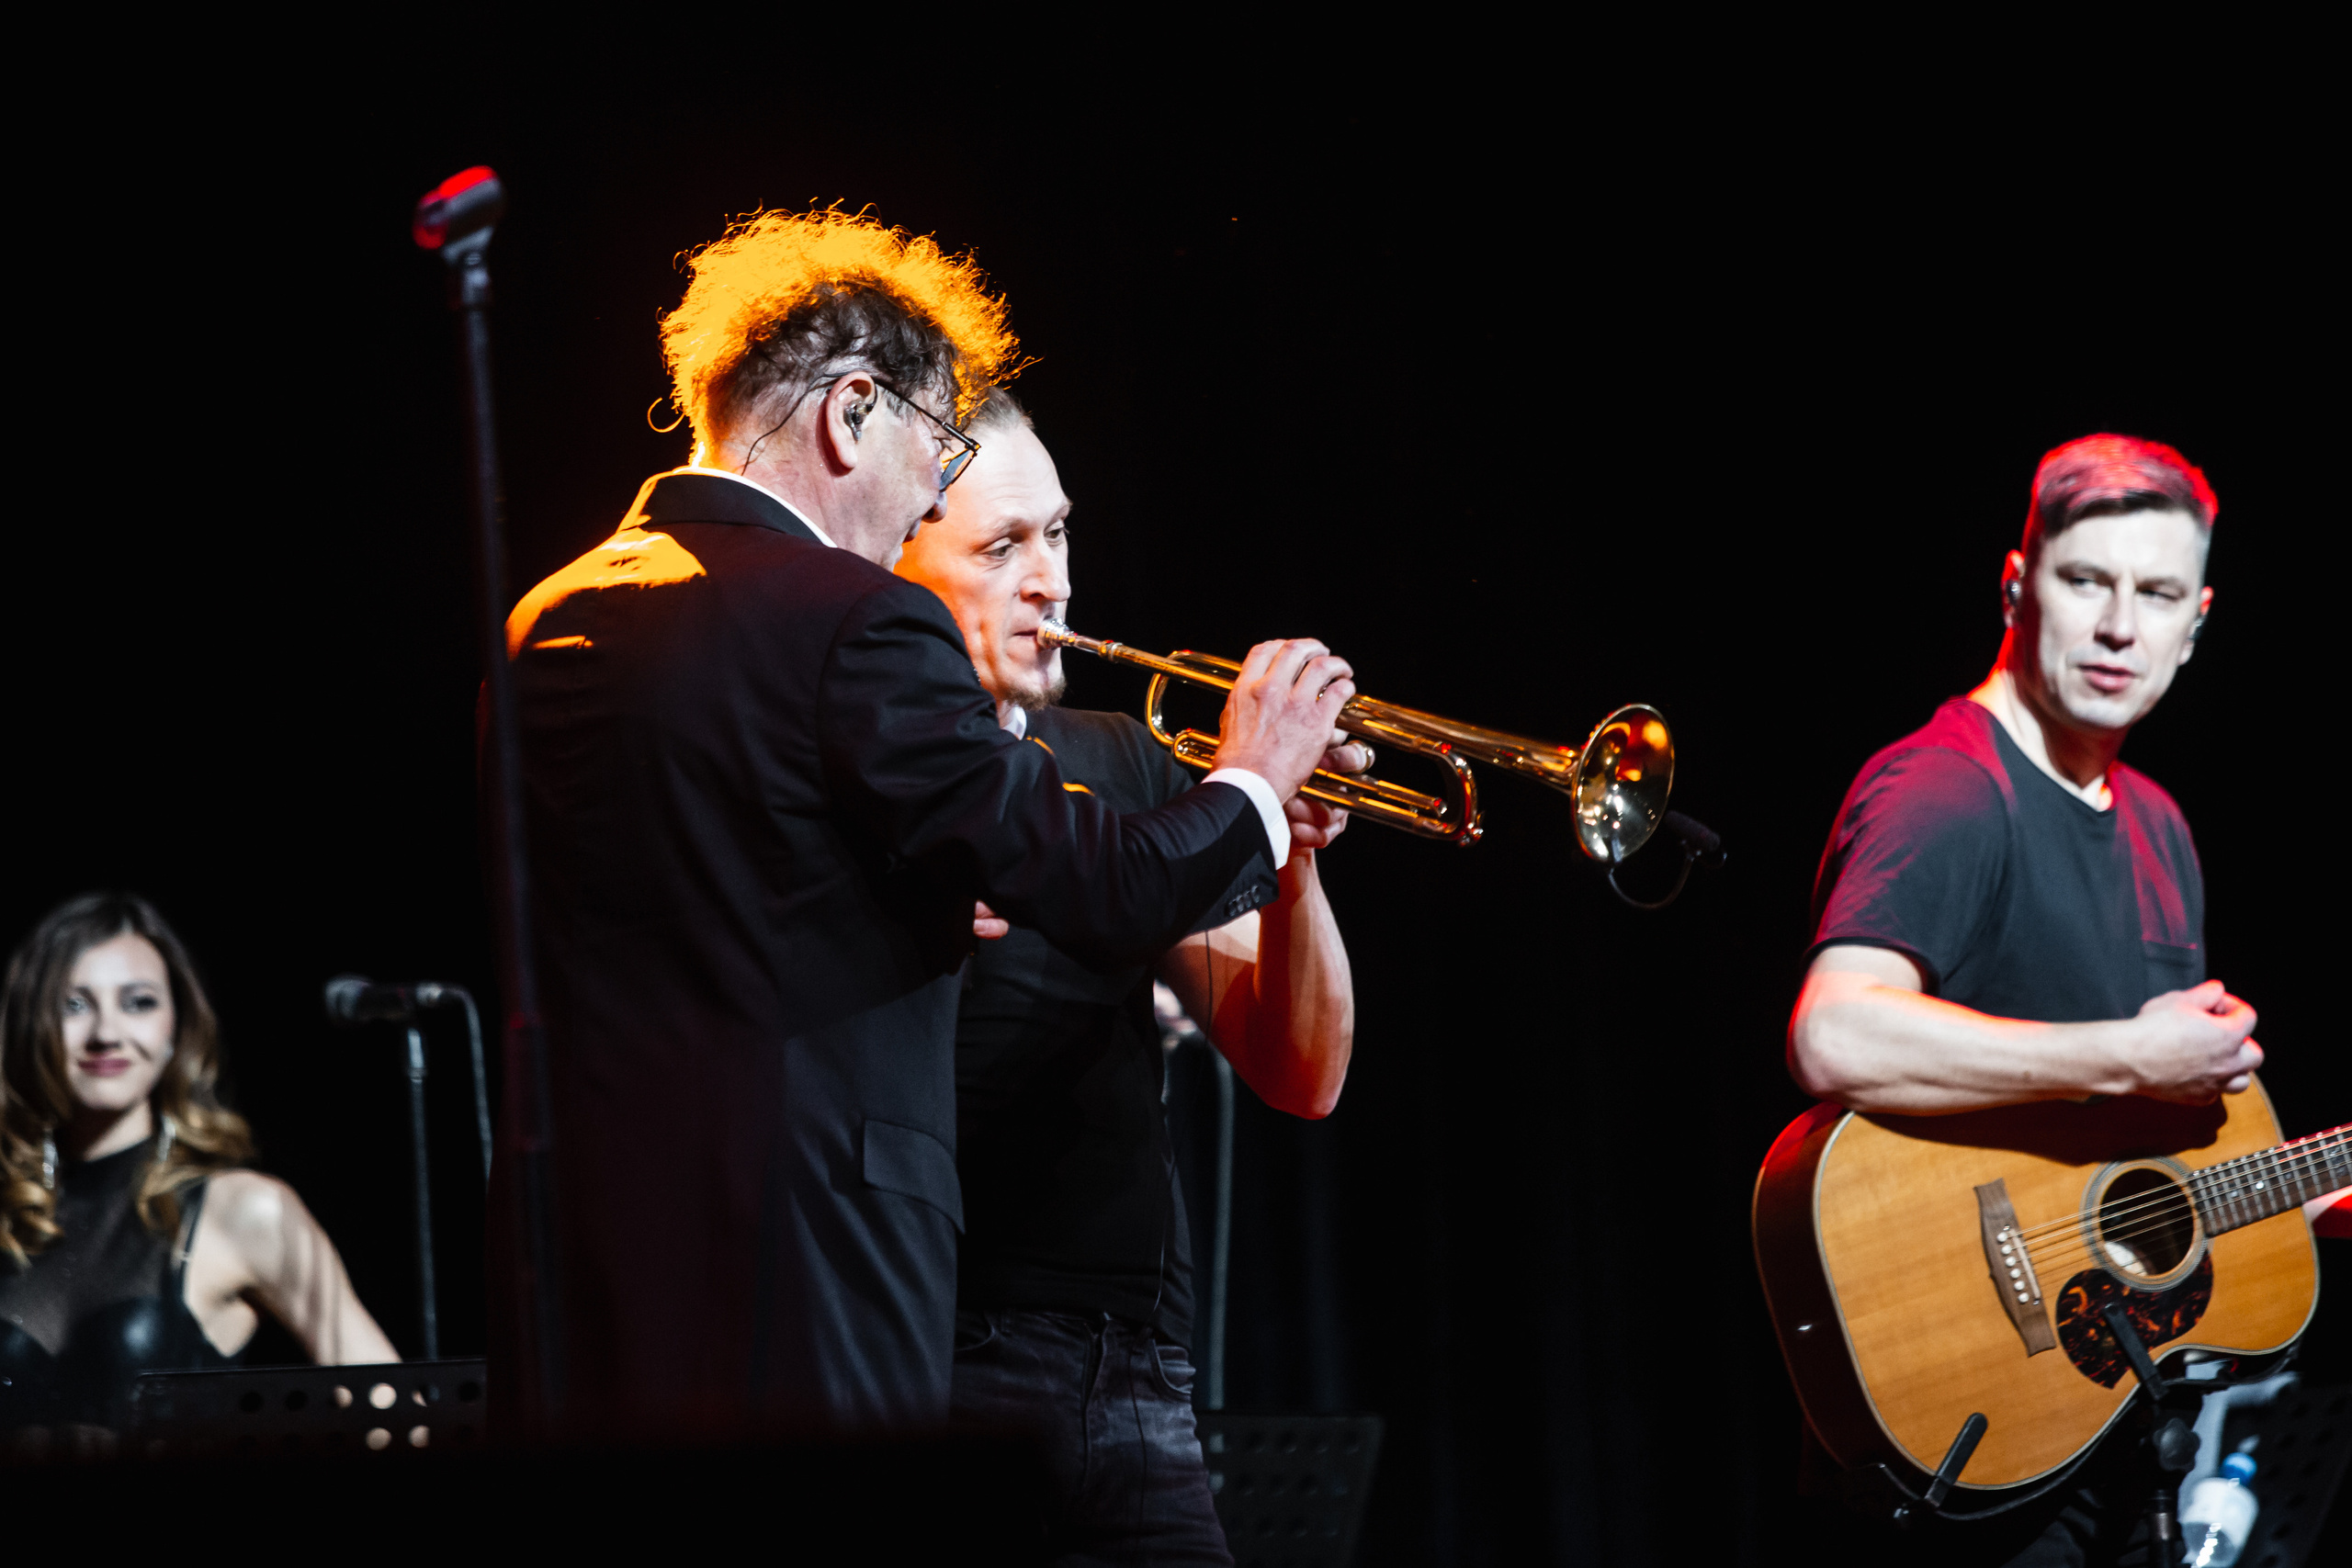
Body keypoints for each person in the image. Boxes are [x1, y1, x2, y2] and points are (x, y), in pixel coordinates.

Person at [503, 209, 1352, 1438]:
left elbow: (706, 903)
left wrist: (900, 893)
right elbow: (1102, 884)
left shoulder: (548, 618)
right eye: (942, 456)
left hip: (583, 1272)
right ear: (853, 412)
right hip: (820, 1277)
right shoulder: (853, 613)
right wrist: (1256, 783)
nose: (925, 506)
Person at [1786, 434, 2348, 1563]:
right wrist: (2130, 1057)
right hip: (1973, 1444)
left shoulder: (2156, 822)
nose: (2116, 627)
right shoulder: (1949, 788)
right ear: (2015, 585)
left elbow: (2140, 1172)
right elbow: (1834, 1030)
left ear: (2195, 623)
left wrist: (2294, 1197)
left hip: (2107, 1425)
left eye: (2154, 594)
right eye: (2085, 581)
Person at [893, 389, 1357, 1563]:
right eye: (1001, 547)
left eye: (1056, 533)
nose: (1048, 578)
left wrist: (1288, 855)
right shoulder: (877, 782)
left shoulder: (1130, 761)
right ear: (896, 567)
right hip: (939, 1366)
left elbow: (1302, 1073)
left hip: (1139, 1379)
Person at [1, 893, 397, 1445]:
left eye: (138, 1002)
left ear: (175, 1031)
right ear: (30, 1023)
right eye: (73, 1005)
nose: (106, 1033)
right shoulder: (11, 1212)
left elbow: (405, 1424)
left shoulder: (244, 1209)